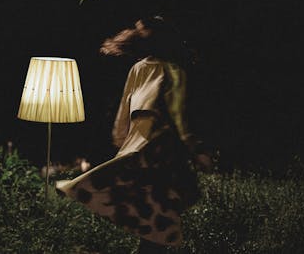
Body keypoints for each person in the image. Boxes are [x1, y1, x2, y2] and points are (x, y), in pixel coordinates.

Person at [56, 16, 212, 253]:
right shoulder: (173, 71)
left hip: (138, 150)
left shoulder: (138, 68)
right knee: (158, 222)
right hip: (160, 152)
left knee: (153, 222)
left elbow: (123, 113)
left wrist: (122, 145)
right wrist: (196, 150)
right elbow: (179, 117)